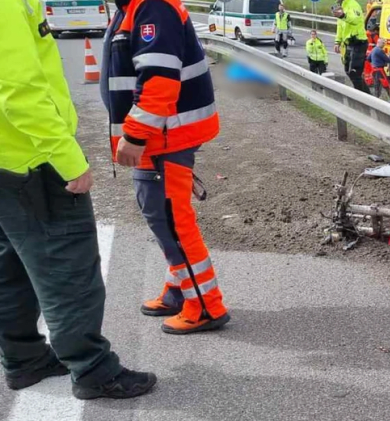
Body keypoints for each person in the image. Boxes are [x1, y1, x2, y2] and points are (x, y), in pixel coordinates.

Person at [0, 0, 156, 399]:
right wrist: (67, 159)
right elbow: (18, 91)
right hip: (32, 160)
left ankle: (24, 360)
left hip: (6, 159)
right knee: (68, 267)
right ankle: (92, 370)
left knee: (10, 267)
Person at [101, 0, 231, 334]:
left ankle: (205, 305)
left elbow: (159, 77)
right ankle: (179, 290)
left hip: (164, 136)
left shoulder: (151, 7)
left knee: (171, 221)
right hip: (162, 135)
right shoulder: (132, 8)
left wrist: (136, 133)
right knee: (164, 217)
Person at [332, 0, 370, 94]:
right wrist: (337, 42)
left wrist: (343, 15)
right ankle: (366, 96)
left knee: (354, 72)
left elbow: (355, 20)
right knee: (348, 71)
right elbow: (340, 27)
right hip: (349, 43)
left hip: (358, 42)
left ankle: (365, 98)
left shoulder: (353, 4)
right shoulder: (341, 6)